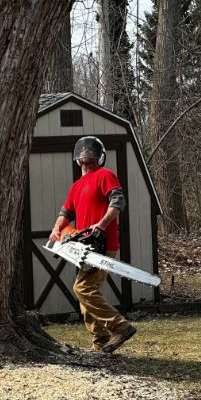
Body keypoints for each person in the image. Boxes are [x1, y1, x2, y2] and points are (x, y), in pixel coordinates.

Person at [49, 136, 136, 353]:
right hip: (83, 247)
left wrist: (102, 224)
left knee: (83, 288)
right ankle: (100, 342)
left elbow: (118, 202)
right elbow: (66, 212)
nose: (86, 161)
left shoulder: (105, 176)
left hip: (103, 244)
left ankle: (120, 326)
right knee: (84, 292)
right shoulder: (77, 186)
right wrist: (56, 230)